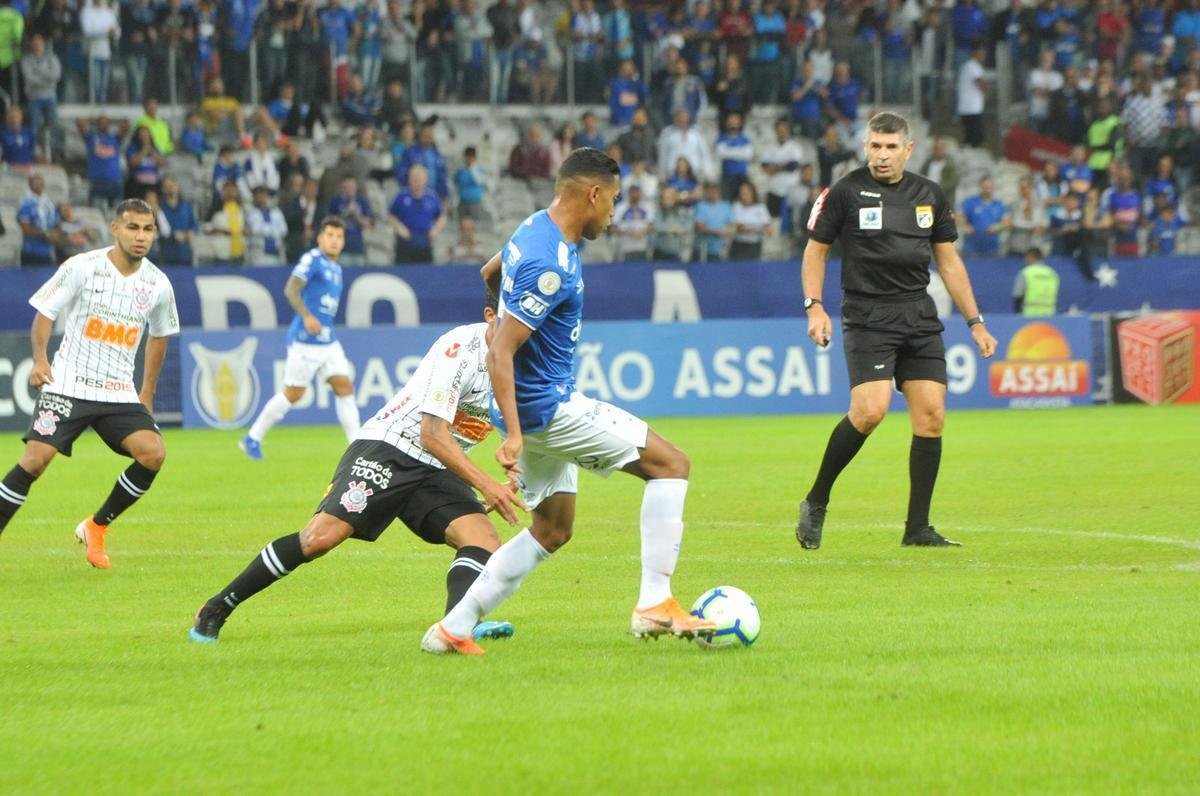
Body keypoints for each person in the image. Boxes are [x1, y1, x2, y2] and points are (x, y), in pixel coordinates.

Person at [420, 148, 717, 655]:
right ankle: (654, 603)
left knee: (553, 529)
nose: (614, 213)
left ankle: (451, 627)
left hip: (538, 407)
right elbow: (500, 352)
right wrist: (513, 433)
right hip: (547, 408)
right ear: (593, 194)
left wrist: (497, 308)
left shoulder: (534, 225)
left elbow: (490, 271)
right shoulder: (548, 263)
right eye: (614, 201)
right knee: (671, 465)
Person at [191, 293, 525, 644]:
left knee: (482, 540)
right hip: (391, 446)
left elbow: (532, 425)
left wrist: (520, 471)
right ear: (490, 316)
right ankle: (215, 608)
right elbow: (431, 434)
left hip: (438, 465)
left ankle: (457, 627)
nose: (519, 332)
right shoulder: (460, 348)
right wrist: (487, 484)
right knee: (319, 539)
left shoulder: (526, 361)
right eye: (509, 321)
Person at [796, 112, 997, 550]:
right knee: (870, 411)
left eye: (890, 147)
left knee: (932, 415)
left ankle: (917, 528)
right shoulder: (844, 192)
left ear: (909, 149)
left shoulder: (929, 195)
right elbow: (816, 252)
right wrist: (815, 308)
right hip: (868, 315)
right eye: (874, 146)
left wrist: (975, 321)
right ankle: (817, 499)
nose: (881, 155)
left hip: (918, 316)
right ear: (864, 147)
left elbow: (948, 261)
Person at [0, 200, 178, 569]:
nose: (140, 236)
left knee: (153, 453)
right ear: (115, 228)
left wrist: (146, 393)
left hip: (117, 392)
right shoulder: (83, 267)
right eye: (133, 227)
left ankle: (96, 526)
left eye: (147, 229)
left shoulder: (158, 284)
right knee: (35, 461)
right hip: (68, 384)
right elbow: (45, 314)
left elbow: (159, 336)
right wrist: (40, 360)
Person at [239, 217, 361, 460]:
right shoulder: (312, 259)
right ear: (320, 238)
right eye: (329, 235)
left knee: (344, 386)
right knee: (293, 394)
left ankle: (357, 446)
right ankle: (252, 437)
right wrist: (307, 316)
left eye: (339, 236)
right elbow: (291, 289)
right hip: (306, 340)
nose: (334, 240)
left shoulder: (336, 268)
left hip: (328, 340)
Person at [1012, 247, 1059, 316]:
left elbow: (1018, 295)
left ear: (1031, 257)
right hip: (1049, 314)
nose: (1025, 261)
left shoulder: (1026, 273)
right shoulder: (1052, 274)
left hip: (1029, 314)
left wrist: (1018, 314)